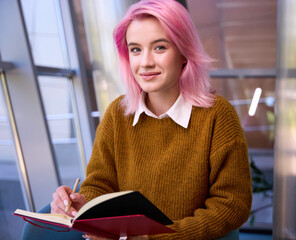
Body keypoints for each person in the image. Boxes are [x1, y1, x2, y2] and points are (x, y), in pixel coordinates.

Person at [50, 0, 252, 239]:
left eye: (159, 47)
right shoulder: (117, 113)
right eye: (135, 49)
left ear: (184, 52)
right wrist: (81, 203)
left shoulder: (218, 115)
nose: (145, 62)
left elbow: (231, 205)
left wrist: (157, 238)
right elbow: (99, 185)